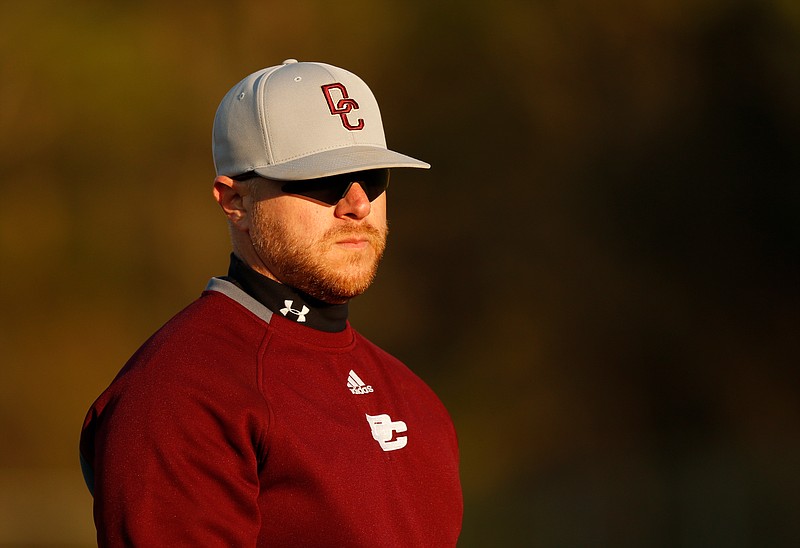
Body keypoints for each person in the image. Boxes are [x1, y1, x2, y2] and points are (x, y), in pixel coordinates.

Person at [79, 59, 463, 546]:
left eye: (373, 176)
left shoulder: (416, 399)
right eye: (321, 179)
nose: (358, 204)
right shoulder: (182, 391)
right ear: (234, 200)